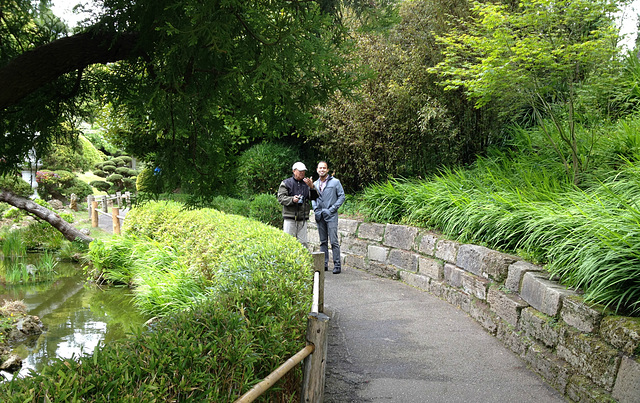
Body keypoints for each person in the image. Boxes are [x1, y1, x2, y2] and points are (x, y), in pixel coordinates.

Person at [312, 161, 345, 274]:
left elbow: (341, 197)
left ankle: (337, 265)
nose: (322, 170)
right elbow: (313, 198)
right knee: (323, 241)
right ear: (317, 170)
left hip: (331, 215)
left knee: (334, 241)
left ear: (327, 170)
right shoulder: (315, 184)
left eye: (324, 168)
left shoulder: (335, 182)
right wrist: (316, 210)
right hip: (319, 215)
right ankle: (324, 264)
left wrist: (332, 209)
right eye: (320, 168)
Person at [277, 162, 318, 248]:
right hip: (290, 217)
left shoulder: (307, 183)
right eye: (300, 171)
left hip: (302, 218)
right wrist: (292, 199)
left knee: (303, 244)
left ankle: (303, 261)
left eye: (303, 171)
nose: (302, 173)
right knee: (288, 243)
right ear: (294, 171)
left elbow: (314, 197)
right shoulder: (286, 183)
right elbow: (281, 198)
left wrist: (312, 187)